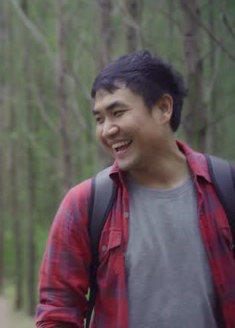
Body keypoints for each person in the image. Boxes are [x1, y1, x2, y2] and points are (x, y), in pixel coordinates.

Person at [35, 50, 235, 328]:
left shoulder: (226, 187)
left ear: (164, 108)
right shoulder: (85, 204)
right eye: (99, 119)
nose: (107, 130)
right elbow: (57, 310)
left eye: (117, 113)